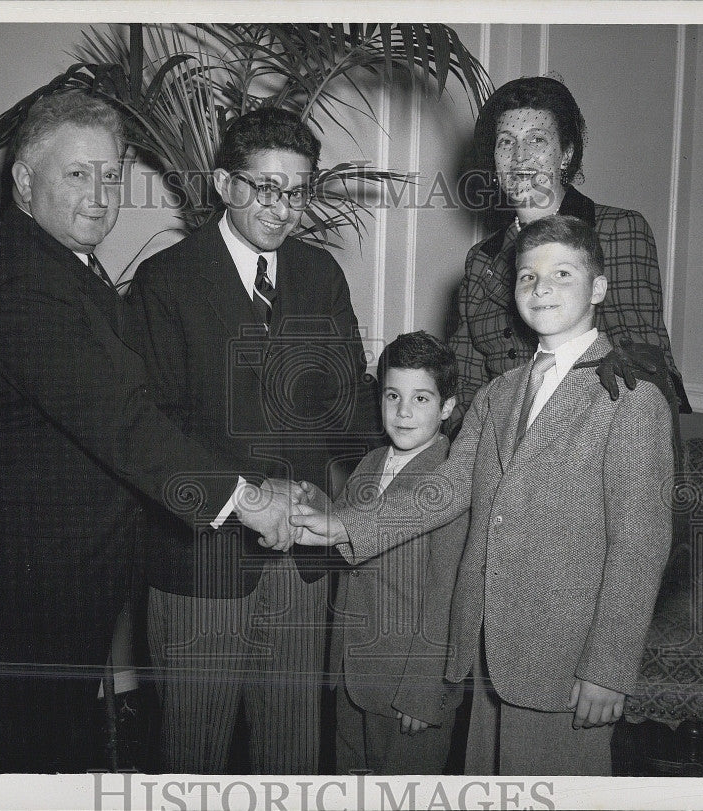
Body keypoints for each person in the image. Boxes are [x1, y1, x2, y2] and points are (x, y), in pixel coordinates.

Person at [0, 90, 302, 773]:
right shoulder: (25, 287)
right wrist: (248, 499)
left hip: (47, 595)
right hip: (19, 611)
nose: (100, 195)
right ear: (23, 182)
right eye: (77, 175)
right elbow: (125, 423)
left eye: (110, 175)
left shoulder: (58, 263)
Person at [292, 215, 675, 776]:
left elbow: (639, 546)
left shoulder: (629, 395)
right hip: (488, 654)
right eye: (527, 276)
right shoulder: (499, 392)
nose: (541, 288)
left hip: (568, 658)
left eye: (561, 274)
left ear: (598, 288)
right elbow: (448, 487)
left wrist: (608, 667)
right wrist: (347, 526)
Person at [126, 107, 377, 774]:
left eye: (296, 191)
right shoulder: (166, 281)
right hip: (199, 560)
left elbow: (348, 399)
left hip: (300, 556)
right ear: (225, 184)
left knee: (292, 749)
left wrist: (430, 423)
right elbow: (153, 426)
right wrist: (245, 492)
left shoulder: (320, 276)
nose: (282, 207)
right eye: (266, 187)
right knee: (193, 751)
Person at [448, 75, 689, 435]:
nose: (520, 156)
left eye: (538, 140)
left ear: (567, 154)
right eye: (506, 142)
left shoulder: (617, 232)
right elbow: (465, 386)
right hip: (495, 447)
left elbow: (647, 370)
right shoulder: (482, 260)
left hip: (590, 445)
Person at [329, 331, 468, 775]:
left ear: (447, 407)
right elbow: (344, 542)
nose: (403, 412)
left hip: (409, 686)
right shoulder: (369, 464)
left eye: (421, 399)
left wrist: (425, 691)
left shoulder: (451, 481)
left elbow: (448, 594)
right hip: (352, 672)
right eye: (393, 396)